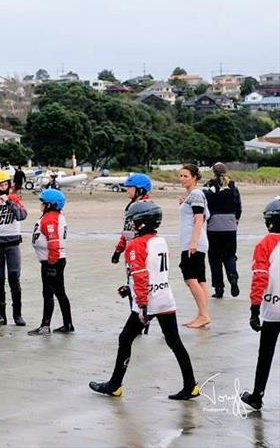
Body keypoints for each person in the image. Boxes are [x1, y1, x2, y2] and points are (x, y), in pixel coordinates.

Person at [89, 200, 200, 400]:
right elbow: (154, 272)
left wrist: (141, 304)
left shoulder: (136, 245)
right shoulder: (160, 241)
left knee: (125, 338)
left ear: (142, 222)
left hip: (148, 301)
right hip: (165, 297)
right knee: (174, 342)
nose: (130, 225)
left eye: (132, 221)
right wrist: (129, 288)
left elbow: (141, 275)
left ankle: (114, 385)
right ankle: (191, 385)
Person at [240, 198, 280, 411]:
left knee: (265, 353)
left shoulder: (265, 243)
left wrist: (254, 308)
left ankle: (258, 394)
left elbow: (259, 277)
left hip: (273, 308)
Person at [28, 189, 74, 336]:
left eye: (42, 202)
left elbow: (53, 242)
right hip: (54, 260)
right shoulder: (54, 216)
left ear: (49, 204)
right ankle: (68, 324)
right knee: (60, 293)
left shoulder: (50, 219)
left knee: (49, 293)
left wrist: (52, 264)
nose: (40, 204)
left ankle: (45, 325)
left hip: (52, 261)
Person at [0, 170, 28, 327]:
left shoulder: (13, 198)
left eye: (6, 184)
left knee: (14, 277)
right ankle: (1, 314)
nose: (4, 187)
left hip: (12, 243)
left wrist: (9, 202)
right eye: (1, 185)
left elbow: (21, 215)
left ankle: (17, 314)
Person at [111, 173, 153, 316]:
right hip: (130, 251)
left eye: (130, 187)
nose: (127, 190)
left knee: (138, 283)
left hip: (139, 251)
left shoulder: (146, 207)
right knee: (131, 284)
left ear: (140, 190)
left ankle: (141, 315)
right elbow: (126, 231)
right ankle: (136, 313)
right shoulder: (132, 206)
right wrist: (118, 250)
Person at [178, 164, 211, 329]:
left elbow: (199, 219)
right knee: (200, 279)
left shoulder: (196, 194)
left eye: (186, 176)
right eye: (181, 176)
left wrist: (193, 242)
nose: (182, 179)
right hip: (197, 242)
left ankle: (204, 315)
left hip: (194, 243)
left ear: (195, 177)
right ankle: (202, 314)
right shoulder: (192, 195)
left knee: (190, 278)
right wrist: (183, 204)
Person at [204, 162, 242, 298]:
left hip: (214, 226)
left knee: (214, 258)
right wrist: (235, 220)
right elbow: (238, 207)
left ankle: (219, 288)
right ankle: (232, 276)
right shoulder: (233, 187)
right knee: (230, 255)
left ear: (213, 172)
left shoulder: (209, 186)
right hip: (231, 225)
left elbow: (204, 205)